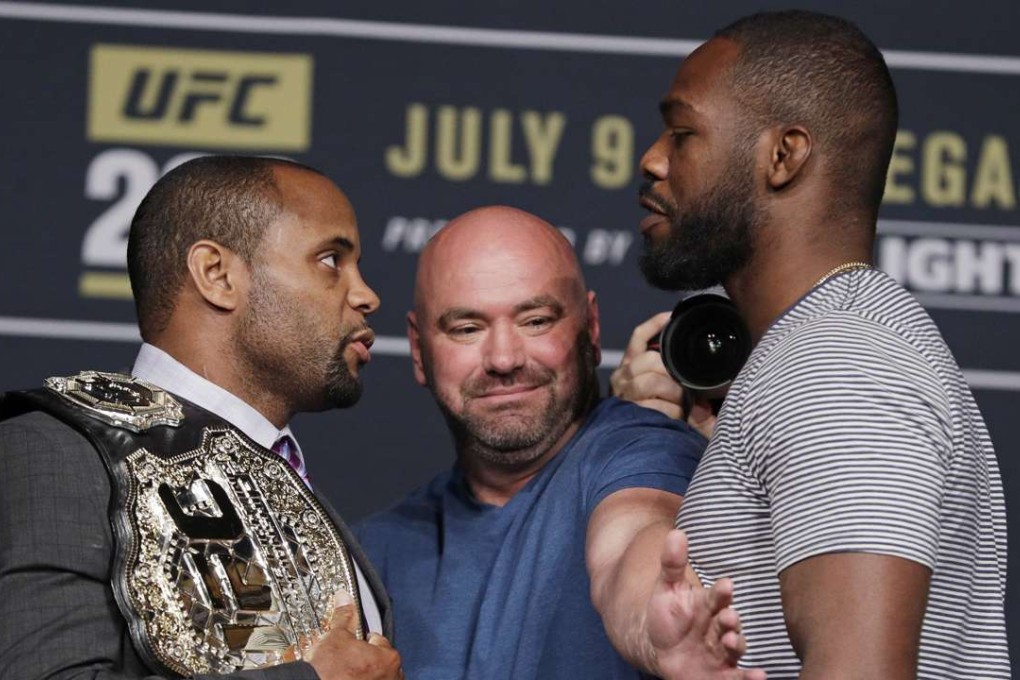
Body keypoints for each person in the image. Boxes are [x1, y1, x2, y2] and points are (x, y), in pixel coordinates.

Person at [614, 10, 1010, 679]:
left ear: (783, 156)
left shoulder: (838, 368)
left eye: (683, 133)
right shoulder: (820, 356)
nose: (652, 159)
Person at [0, 156, 403, 680]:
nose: (366, 294)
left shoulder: (282, 475)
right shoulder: (60, 451)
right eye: (330, 260)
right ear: (217, 275)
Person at [355, 205, 761, 680]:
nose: (504, 358)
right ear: (419, 350)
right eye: (467, 329)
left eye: (536, 321)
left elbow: (633, 535)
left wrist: (653, 626)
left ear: (590, 328)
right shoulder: (372, 552)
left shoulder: (641, 446)